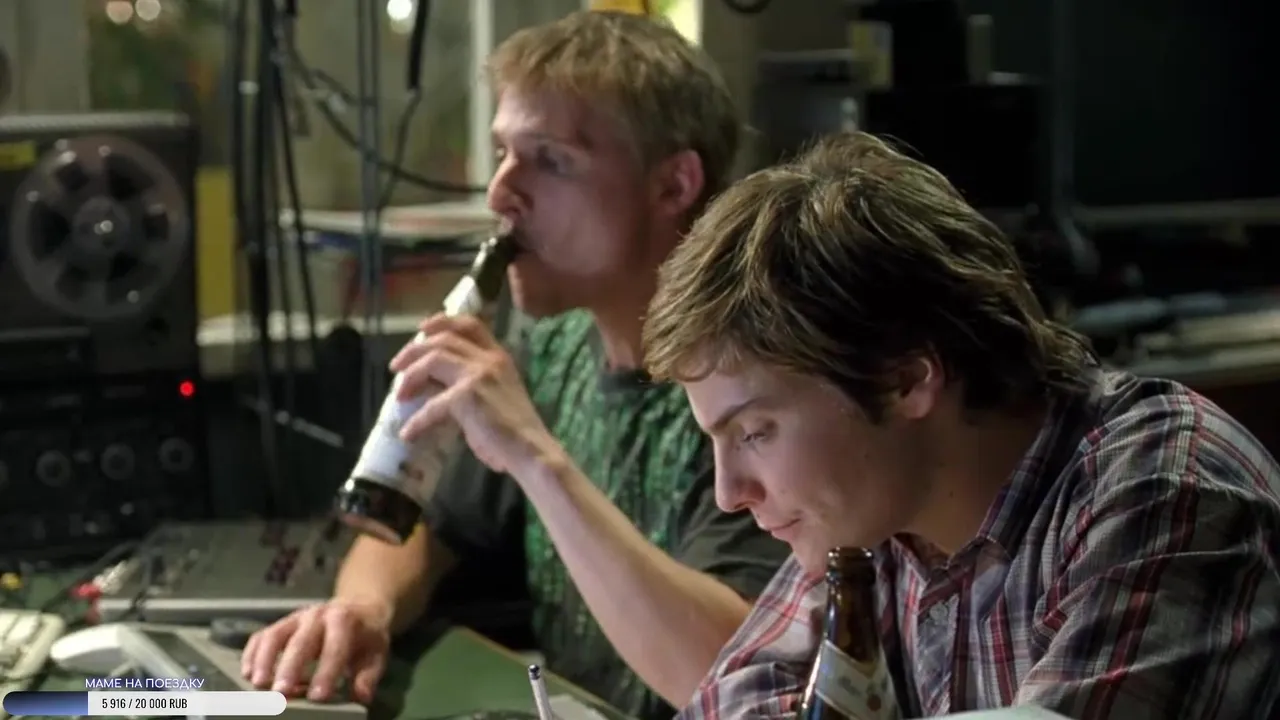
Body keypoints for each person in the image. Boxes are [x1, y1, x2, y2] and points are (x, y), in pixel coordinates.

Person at [239, 11, 788, 720]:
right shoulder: (555, 347)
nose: (500, 193)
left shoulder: (756, 382)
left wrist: (533, 453)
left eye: (551, 160)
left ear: (673, 186)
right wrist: (364, 608)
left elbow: (735, 673)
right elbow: (427, 526)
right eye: (503, 152)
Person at [642, 131, 1280, 719]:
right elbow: (731, 702)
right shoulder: (875, 515)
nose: (729, 493)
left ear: (906, 380)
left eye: (755, 431)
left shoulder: (1165, 490)